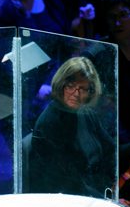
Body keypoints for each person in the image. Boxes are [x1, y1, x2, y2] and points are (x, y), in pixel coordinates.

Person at [28, 56, 114, 198]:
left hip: (94, 189)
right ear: (61, 85)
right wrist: (108, 201)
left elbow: (111, 151)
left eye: (83, 88)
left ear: (90, 92)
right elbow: (68, 183)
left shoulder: (86, 114)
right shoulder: (50, 123)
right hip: (64, 199)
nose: (76, 93)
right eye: (71, 86)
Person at [100, 0, 130, 207]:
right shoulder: (103, 55)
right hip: (119, 148)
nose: (119, 21)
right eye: (113, 17)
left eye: (125, 14)